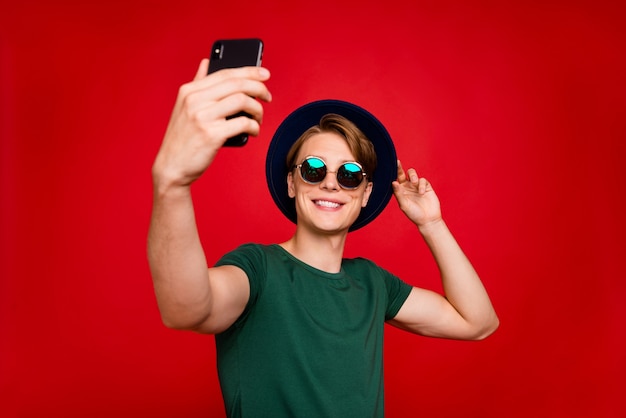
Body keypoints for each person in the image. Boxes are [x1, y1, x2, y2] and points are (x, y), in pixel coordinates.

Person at [148, 59, 499, 417]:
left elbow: (478, 322)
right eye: (313, 169)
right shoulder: (258, 270)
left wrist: (432, 223)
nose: (330, 182)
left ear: (365, 193)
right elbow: (186, 308)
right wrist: (172, 184)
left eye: (349, 174)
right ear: (291, 182)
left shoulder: (372, 283)